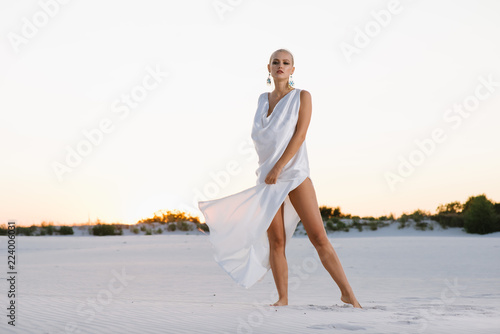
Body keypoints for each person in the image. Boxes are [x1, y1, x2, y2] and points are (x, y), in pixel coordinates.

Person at [198, 49, 361, 309]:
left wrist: (279, 167)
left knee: (318, 237)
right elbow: (262, 138)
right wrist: (269, 171)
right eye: (276, 62)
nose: (281, 66)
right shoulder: (262, 100)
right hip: (267, 178)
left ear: (293, 70)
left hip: (293, 173)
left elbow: (300, 136)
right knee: (276, 241)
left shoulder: (302, 97)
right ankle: (282, 298)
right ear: (269, 68)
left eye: (286, 63)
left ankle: (348, 295)